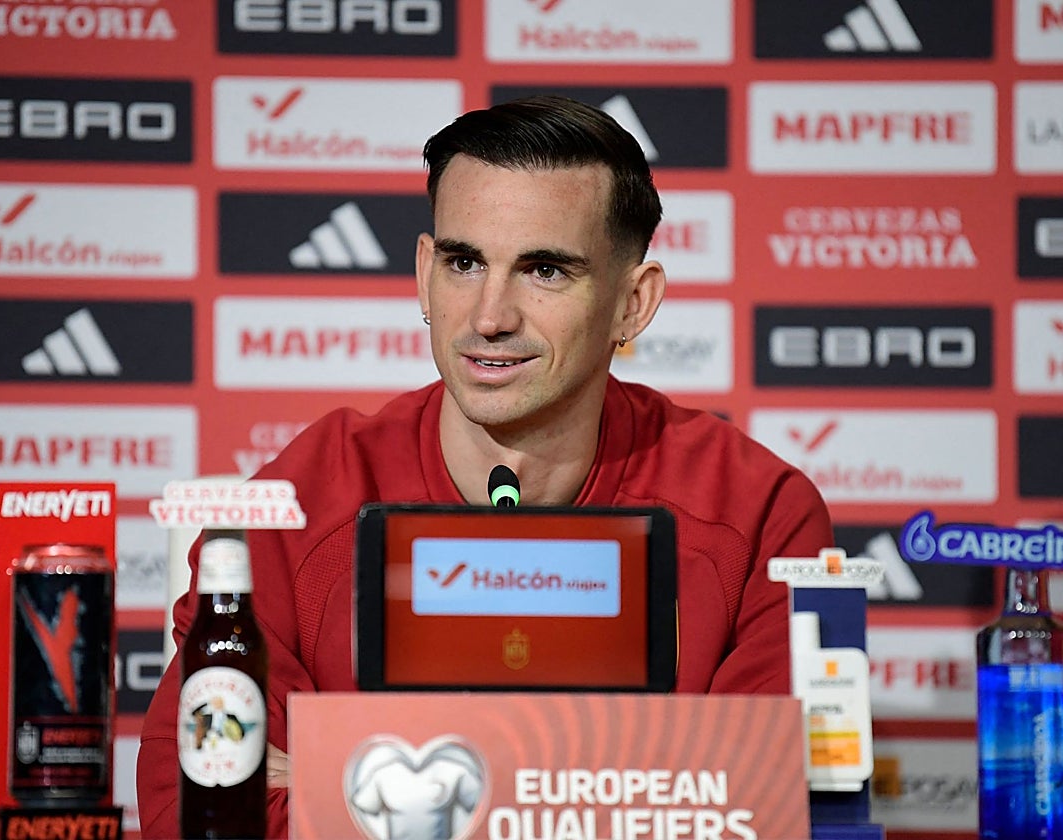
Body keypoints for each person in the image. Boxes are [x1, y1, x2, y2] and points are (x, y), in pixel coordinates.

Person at [137, 95, 833, 838]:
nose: (490, 316)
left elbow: (768, 808)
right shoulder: (301, 501)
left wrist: (339, 779)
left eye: (545, 270)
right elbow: (195, 801)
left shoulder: (761, 513)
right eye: (463, 262)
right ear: (422, 274)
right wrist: (634, 787)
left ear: (634, 304)